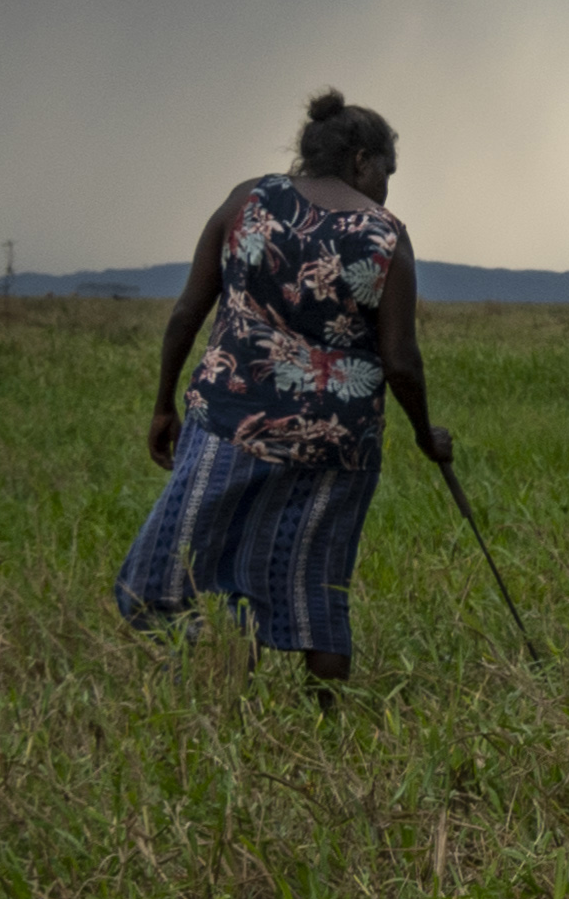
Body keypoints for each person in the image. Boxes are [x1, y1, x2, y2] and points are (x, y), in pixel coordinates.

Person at [119, 89, 453, 697]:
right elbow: (401, 362)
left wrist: (164, 402)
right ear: (361, 160)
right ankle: (328, 716)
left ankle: (212, 674)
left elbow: (189, 309)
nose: (386, 187)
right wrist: (425, 433)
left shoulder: (246, 200)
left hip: (230, 422)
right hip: (337, 440)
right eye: (387, 172)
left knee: (178, 567)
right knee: (319, 579)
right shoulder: (385, 236)